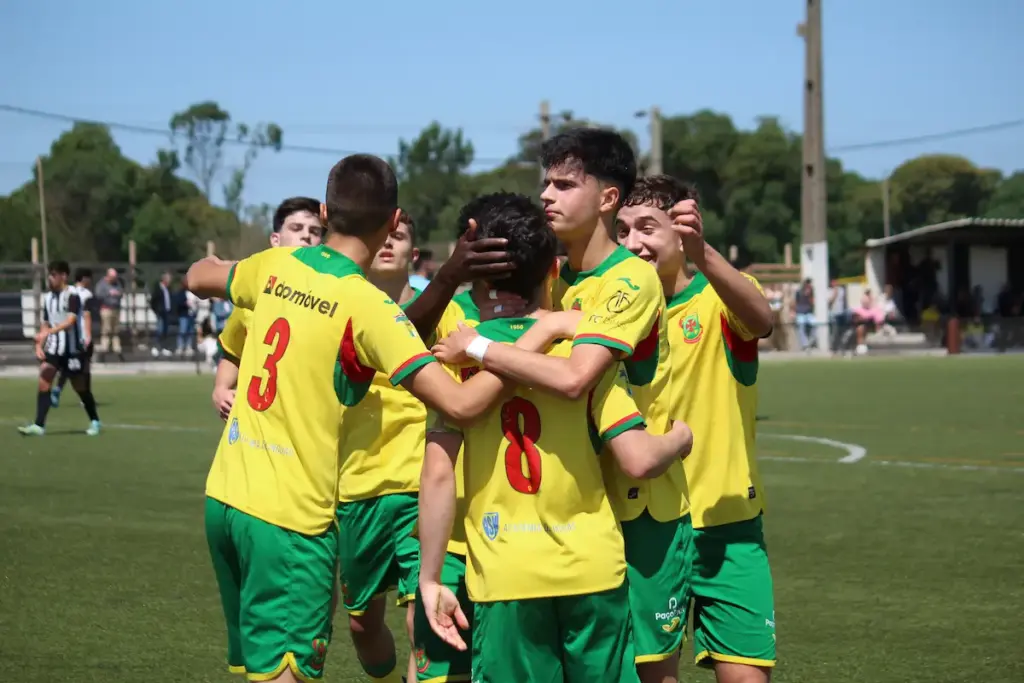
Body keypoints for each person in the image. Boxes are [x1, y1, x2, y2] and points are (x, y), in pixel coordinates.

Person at [184, 153, 541, 683]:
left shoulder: (276, 265)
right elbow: (461, 405)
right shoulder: (368, 307)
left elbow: (198, 275)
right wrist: (535, 339)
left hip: (226, 499)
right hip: (289, 519)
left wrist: (229, 265)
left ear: (325, 212)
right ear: (393, 221)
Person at [432, 128, 701, 683]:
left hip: (641, 500)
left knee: (651, 672)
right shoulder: (556, 280)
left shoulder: (630, 278)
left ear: (608, 198)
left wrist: (481, 348)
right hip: (577, 507)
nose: (547, 195)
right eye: (546, 184)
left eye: (564, 184)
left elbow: (577, 377)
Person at [615, 176, 776, 683]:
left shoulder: (720, 297)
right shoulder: (611, 312)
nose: (633, 243)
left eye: (647, 228)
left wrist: (702, 253)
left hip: (727, 520)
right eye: (622, 230)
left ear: (683, 231)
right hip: (645, 522)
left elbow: (762, 319)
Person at [210, 197, 324, 421]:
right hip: (257, 423)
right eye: (296, 228)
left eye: (315, 231)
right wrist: (221, 388)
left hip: (310, 422)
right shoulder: (253, 297)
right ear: (275, 240)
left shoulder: (334, 295)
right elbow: (233, 351)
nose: (306, 236)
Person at [18, 261, 101, 437]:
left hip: (72, 350)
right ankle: (39, 425)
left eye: (53, 274)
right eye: (49, 274)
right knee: (44, 379)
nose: (50, 278)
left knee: (80, 387)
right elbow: (45, 324)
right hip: (54, 349)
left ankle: (95, 420)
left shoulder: (72, 296)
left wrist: (49, 332)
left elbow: (70, 322)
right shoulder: (48, 298)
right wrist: (39, 345)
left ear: (63, 276)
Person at [51, 267, 95, 407]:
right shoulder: (86, 294)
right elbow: (87, 315)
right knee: (84, 368)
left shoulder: (68, 292)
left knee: (68, 365)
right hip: (81, 335)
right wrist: (88, 335)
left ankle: (58, 388)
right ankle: (85, 397)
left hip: (68, 335)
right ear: (85, 278)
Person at [94, 268, 124, 362]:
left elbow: (121, 292)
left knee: (116, 330)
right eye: (113, 277)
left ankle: (117, 350)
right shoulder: (101, 284)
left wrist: (118, 293)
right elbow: (98, 295)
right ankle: (104, 349)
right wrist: (109, 293)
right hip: (106, 308)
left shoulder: (117, 283)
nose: (114, 279)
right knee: (106, 330)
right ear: (108, 276)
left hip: (116, 308)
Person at [150, 272, 173, 357]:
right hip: (160, 312)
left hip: (166, 312)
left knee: (165, 330)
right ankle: (156, 347)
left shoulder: (168, 289)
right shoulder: (158, 289)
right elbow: (153, 301)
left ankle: (163, 347)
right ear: (164, 280)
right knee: (159, 330)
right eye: (169, 279)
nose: (170, 281)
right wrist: (156, 310)